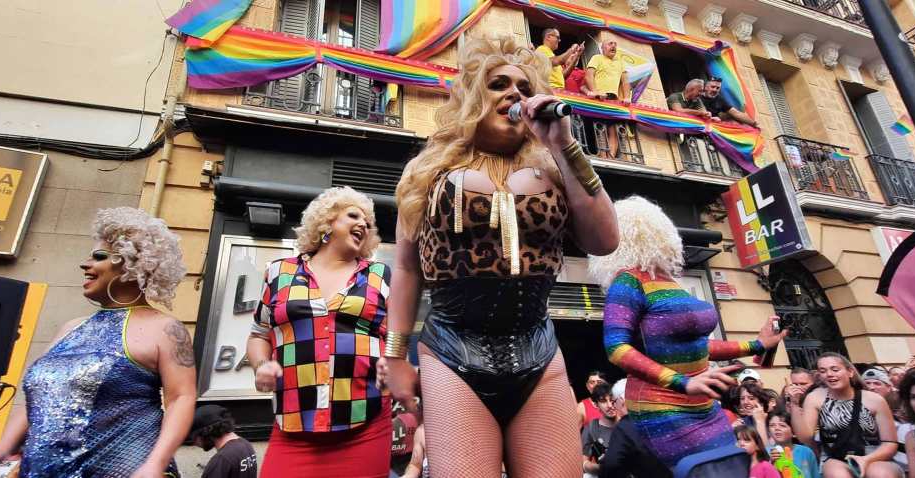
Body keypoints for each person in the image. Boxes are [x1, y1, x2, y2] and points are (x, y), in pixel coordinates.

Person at [383, 35, 620, 478]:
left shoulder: (553, 167)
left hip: (539, 352)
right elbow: (406, 266)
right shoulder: (428, 170)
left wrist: (565, 146)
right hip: (452, 353)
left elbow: (605, 240)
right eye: (498, 84)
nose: (515, 93)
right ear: (474, 97)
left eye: (524, 88)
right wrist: (396, 356)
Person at [0, 207, 192, 478]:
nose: (85, 264)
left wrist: (155, 464)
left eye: (99, 256)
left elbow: (181, 398)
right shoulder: (70, 328)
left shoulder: (164, 328)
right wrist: (0, 448)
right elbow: (41, 397)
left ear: (132, 263)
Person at [588, 195, 786, 475]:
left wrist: (758, 344)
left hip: (703, 403)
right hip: (661, 405)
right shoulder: (628, 281)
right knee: (706, 472)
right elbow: (616, 348)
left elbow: (698, 347)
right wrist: (683, 382)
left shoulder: (670, 282)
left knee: (730, 467)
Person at [246, 186, 393, 477]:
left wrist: (393, 362)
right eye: (354, 216)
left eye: (368, 222)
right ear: (326, 221)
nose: (363, 224)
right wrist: (262, 365)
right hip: (294, 424)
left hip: (366, 421)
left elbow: (394, 338)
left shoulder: (380, 276)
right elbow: (258, 336)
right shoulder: (279, 273)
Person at [788, 352, 901, 477]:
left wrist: (866, 460)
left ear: (850, 372)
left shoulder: (874, 399)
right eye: (823, 371)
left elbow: (890, 443)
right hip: (835, 456)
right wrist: (794, 404)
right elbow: (805, 437)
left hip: (875, 455)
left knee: (880, 473)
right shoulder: (815, 397)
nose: (829, 374)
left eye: (835, 369)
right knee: (838, 474)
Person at [584, 39, 631, 160]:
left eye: (615, 44)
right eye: (610, 44)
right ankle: (603, 156)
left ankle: (610, 158)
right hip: (599, 98)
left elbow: (625, 82)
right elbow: (589, 75)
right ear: (603, 47)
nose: (613, 46)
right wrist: (595, 91)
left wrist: (627, 97)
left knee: (613, 130)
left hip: (613, 99)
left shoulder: (620, 63)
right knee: (600, 128)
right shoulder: (597, 58)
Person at [189, 405, 257, 478]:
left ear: (205, 433)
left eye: (194, 437)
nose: (194, 443)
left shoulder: (222, 460)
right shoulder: (245, 444)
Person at [767, 409, 821, 478]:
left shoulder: (806, 452)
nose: (777, 428)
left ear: (793, 431)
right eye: (772, 425)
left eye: (782, 425)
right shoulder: (766, 453)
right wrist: (770, 464)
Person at [583, 383, 620, 477]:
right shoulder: (591, 428)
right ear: (596, 405)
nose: (610, 405)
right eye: (603, 401)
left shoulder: (630, 423)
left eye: (612, 400)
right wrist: (600, 468)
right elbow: (583, 463)